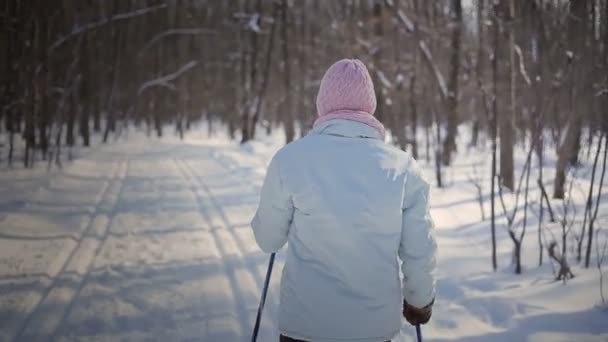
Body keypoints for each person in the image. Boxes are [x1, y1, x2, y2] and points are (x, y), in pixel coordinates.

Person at [251, 59, 437, 342]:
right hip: (373, 330)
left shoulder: (290, 160)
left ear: (323, 104)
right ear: (369, 105)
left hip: (304, 325)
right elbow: (418, 248)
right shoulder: (402, 168)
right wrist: (419, 302)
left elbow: (268, 241)